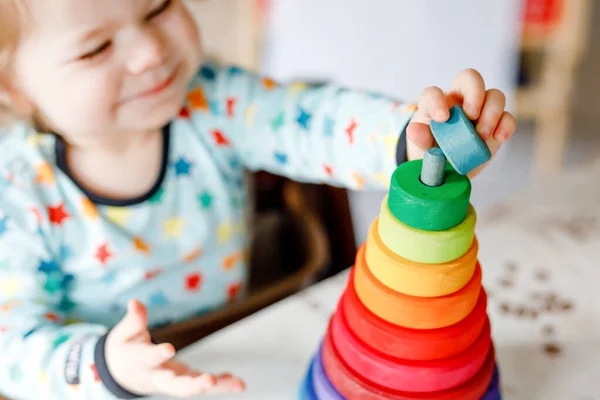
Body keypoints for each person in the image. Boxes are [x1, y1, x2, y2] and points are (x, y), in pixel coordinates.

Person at [0, 0, 516, 398]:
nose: (150, 51)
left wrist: (411, 138)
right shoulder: (18, 192)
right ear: (13, 87)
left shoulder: (211, 100)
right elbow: (10, 345)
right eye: (95, 48)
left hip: (239, 355)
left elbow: (314, 122)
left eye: (158, 6)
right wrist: (104, 366)